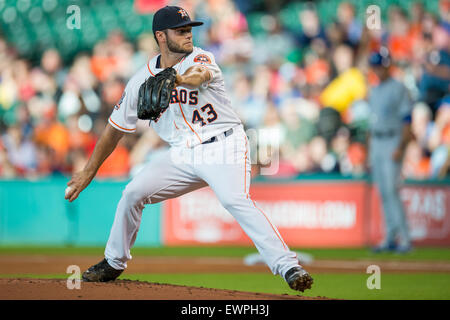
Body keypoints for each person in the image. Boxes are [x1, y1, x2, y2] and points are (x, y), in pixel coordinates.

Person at [64, 6, 313, 292]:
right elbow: (114, 130)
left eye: (189, 29)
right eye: (180, 30)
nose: (188, 35)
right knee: (132, 193)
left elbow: (200, 75)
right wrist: (88, 171)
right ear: (161, 36)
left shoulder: (200, 57)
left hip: (224, 144)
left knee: (234, 200)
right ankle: (113, 261)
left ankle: (288, 266)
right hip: (181, 154)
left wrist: (178, 79)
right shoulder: (139, 80)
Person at [367, 51, 414, 254]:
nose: (377, 69)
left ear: (387, 66)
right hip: (377, 140)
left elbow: (406, 120)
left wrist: (401, 147)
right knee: (384, 192)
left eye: (380, 66)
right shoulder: (374, 89)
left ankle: (404, 239)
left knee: (392, 191)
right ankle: (389, 238)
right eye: (375, 66)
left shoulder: (399, 87)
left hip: (392, 139)